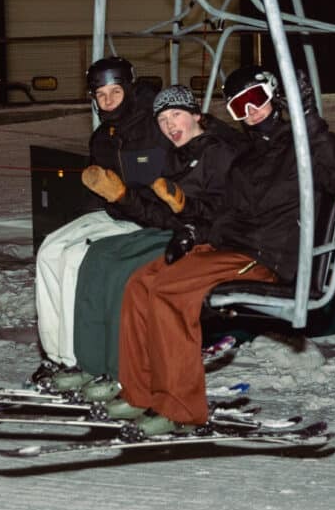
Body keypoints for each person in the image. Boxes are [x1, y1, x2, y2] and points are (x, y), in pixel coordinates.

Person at [110, 65, 335, 435]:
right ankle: (139, 392)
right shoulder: (246, 157)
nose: (251, 112)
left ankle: (179, 407)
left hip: (268, 257)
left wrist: (309, 121)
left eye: (255, 100)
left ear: (274, 96)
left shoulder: (303, 146)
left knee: (169, 291)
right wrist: (194, 231)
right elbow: (226, 214)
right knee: (140, 283)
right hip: (232, 247)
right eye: (238, 108)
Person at [64, 85, 244, 398]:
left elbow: (225, 212)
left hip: (203, 239)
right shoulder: (172, 157)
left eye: (177, 115)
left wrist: (186, 207)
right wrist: (122, 197)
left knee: (127, 275)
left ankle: (123, 372)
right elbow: (158, 215)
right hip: (172, 230)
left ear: (196, 115)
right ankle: (90, 365)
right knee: (98, 258)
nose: (171, 125)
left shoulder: (219, 154)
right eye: (162, 120)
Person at [32, 56, 169, 387]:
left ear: (129, 90)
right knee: (50, 250)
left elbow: (161, 191)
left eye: (115, 93)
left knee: (77, 259)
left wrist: (122, 193)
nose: (107, 102)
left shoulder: (154, 125)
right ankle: (57, 355)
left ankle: (78, 357)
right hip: (118, 213)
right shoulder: (104, 135)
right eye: (100, 95)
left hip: (148, 218)